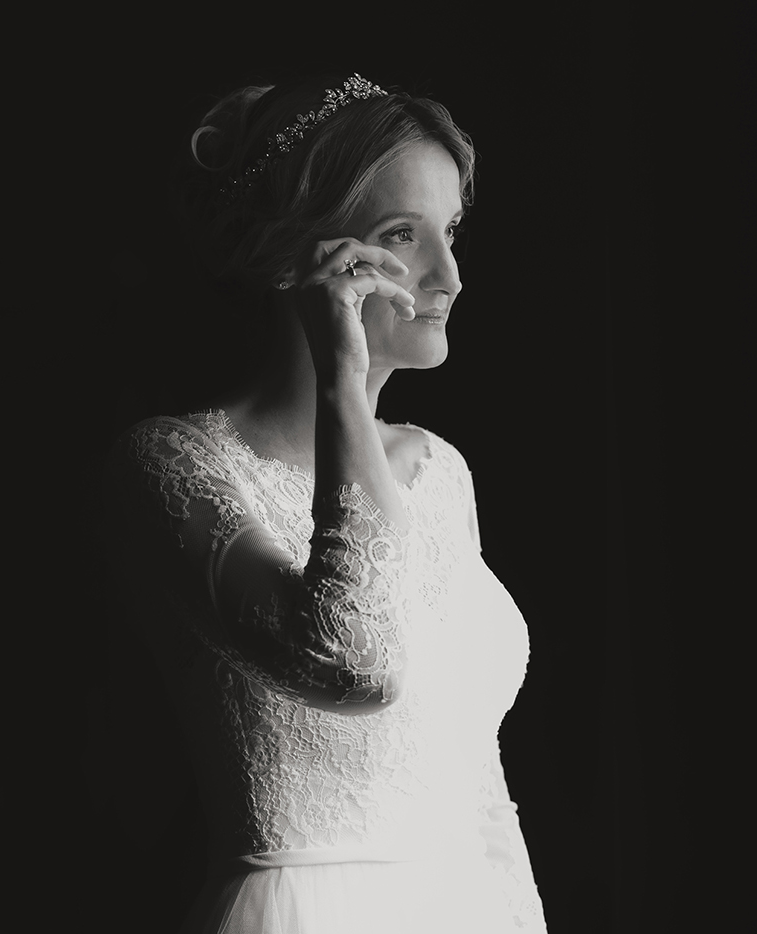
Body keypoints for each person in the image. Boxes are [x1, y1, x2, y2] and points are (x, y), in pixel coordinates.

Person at [103, 74, 548, 933]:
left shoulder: (441, 471)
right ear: (296, 256)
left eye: (450, 231)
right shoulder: (167, 464)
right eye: (402, 236)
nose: (448, 275)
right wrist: (343, 378)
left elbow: (482, 790)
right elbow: (355, 665)